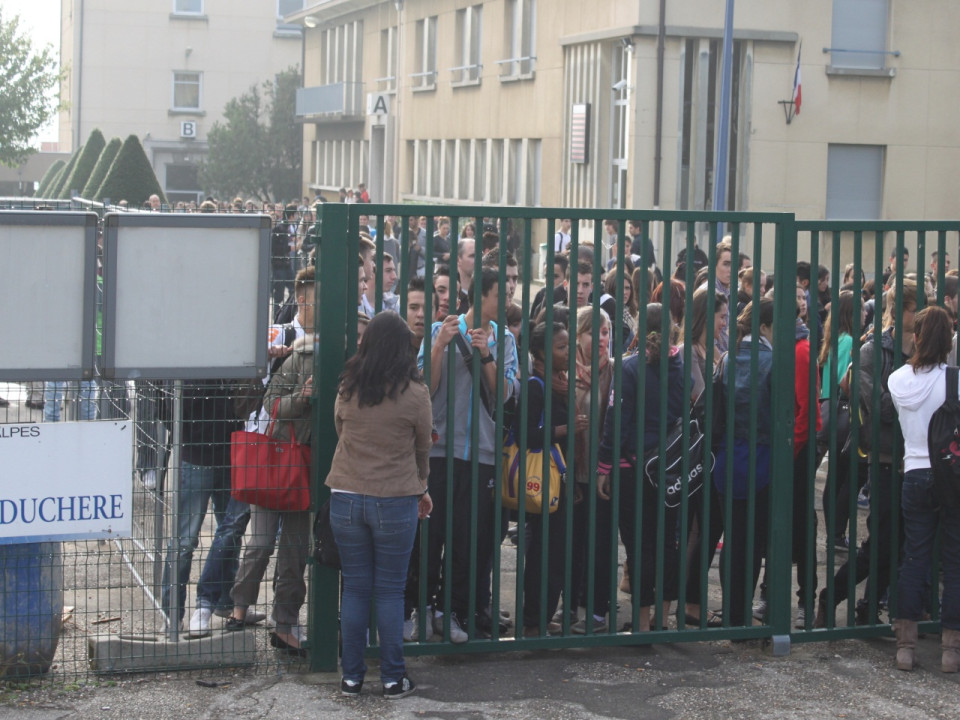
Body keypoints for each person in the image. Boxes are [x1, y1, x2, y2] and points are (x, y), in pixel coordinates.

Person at [327, 312, 433, 698]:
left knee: (354, 589)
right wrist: (420, 484)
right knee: (390, 591)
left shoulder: (348, 386)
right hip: (395, 497)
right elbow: (423, 446)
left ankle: (351, 678)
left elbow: (340, 429)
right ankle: (392, 678)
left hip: (347, 495)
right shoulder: (416, 393)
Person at [418, 267, 519, 642]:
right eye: (502, 294)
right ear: (481, 297)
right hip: (440, 447)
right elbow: (425, 388)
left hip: (483, 451)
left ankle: (453, 611)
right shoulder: (440, 329)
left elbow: (507, 396)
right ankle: (421, 606)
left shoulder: (506, 339)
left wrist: (487, 356)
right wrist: (440, 345)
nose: (507, 301)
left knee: (466, 538)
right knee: (430, 534)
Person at [227, 269, 318, 654]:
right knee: (260, 542)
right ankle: (238, 608)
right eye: (316, 297)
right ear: (300, 294)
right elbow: (263, 398)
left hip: (305, 459)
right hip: (270, 451)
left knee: (295, 549)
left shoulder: (333, 348)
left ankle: (285, 622)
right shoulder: (278, 334)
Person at [594, 303, 685, 632]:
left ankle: (643, 623)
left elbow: (616, 423)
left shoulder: (630, 369)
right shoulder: (681, 366)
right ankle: (663, 615)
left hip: (632, 467)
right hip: (670, 467)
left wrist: (604, 466)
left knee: (639, 545)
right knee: (667, 542)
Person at [888, 304, 960, 673]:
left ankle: (905, 645)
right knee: (954, 560)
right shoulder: (954, 380)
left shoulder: (897, 379)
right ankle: (950, 650)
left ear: (915, 337)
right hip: (950, 477)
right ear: (949, 341)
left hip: (914, 472)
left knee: (914, 557)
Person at [518, 321, 586, 636]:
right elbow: (527, 435)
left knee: (558, 553)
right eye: (561, 347)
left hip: (561, 479)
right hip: (542, 481)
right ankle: (534, 621)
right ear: (542, 353)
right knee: (545, 554)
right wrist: (564, 430)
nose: (569, 352)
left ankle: (543, 616)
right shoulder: (535, 385)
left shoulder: (557, 382)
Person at [713, 298, 775, 628]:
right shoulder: (775, 361)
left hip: (727, 456)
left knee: (734, 539)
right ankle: (741, 618)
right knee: (753, 543)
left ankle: (732, 613)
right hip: (762, 457)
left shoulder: (727, 358)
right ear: (765, 327)